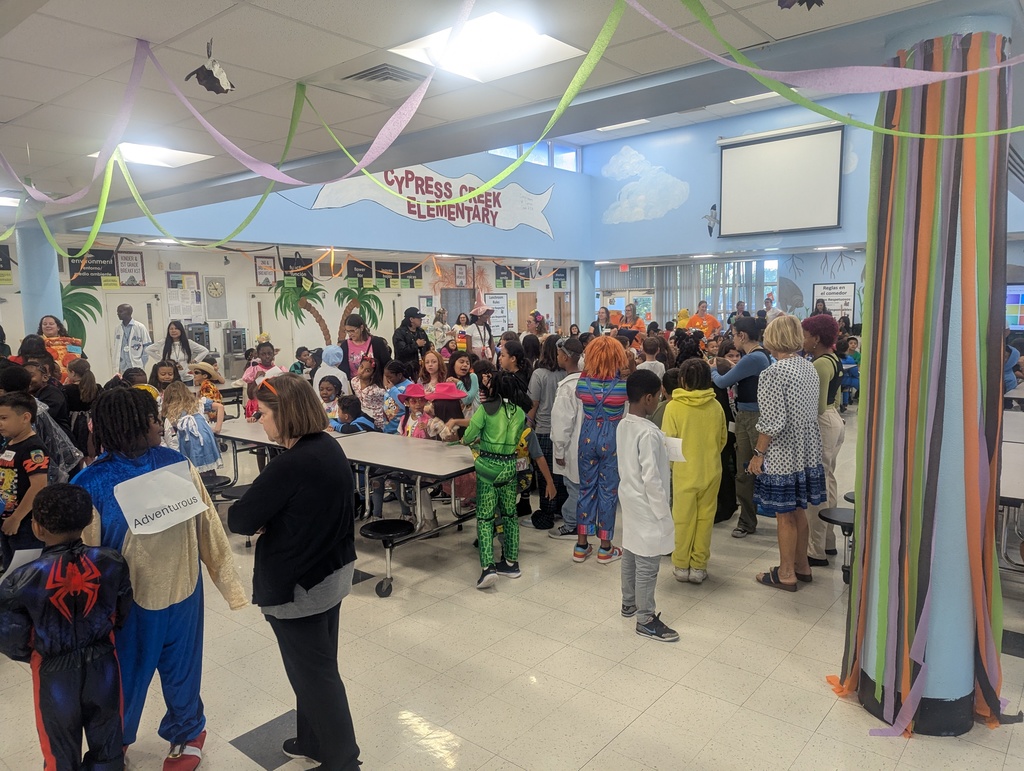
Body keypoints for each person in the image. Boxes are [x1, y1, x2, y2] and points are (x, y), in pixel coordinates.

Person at [75, 387, 246, 768]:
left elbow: (208, 526)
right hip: (128, 602)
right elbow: (83, 553)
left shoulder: (176, 463)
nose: (160, 423)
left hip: (184, 588)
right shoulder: (92, 482)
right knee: (125, 677)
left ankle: (188, 731)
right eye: (152, 419)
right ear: (130, 426)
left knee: (183, 669)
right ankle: (114, 742)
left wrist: (229, 585)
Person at [227, 374, 361, 770]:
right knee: (318, 669)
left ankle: (344, 762)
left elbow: (240, 518)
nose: (259, 421)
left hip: (299, 587)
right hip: (331, 572)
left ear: (285, 414)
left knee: (315, 679)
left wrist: (266, 517)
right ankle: (312, 741)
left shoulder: (289, 465)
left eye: (264, 413)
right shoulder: (328, 447)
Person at [0, 484, 132, 771]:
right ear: (89, 519)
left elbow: (10, 637)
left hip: (53, 671)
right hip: (103, 662)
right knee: (108, 738)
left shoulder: (19, 580)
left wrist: (36, 653)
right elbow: (122, 609)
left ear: (37, 527)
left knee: (58, 748)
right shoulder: (112, 561)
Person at [747, 316, 827, 591]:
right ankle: (802, 565)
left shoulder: (773, 372)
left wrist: (758, 453)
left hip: (783, 450)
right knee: (798, 509)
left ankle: (786, 573)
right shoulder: (808, 366)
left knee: (784, 514)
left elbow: (772, 421)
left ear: (772, 338)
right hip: (806, 447)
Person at [617, 370, 679, 642]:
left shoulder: (624, 424)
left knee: (631, 550)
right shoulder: (649, 433)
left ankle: (629, 602)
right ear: (648, 398)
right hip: (647, 503)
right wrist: (663, 511)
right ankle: (645, 619)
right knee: (648, 561)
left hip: (629, 497)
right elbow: (652, 478)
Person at [662, 358, 727, 585]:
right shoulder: (716, 406)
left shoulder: (673, 407)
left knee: (682, 519)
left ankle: (681, 564)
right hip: (711, 470)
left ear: (682, 379)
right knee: (705, 519)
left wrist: (675, 466)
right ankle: (699, 566)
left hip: (684, 472)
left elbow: (668, 443)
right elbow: (722, 439)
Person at [463, 372, 530, 589]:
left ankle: (487, 568)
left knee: (485, 518)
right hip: (510, 467)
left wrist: (471, 440)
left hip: (488, 469)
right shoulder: (520, 412)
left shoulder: (485, 410)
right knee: (510, 515)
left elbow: (469, 435)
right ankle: (511, 563)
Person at [711, 317, 771, 538]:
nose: (733, 339)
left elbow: (722, 382)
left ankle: (747, 520)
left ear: (742, 336)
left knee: (746, 470)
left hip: (751, 418)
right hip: (750, 415)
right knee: (747, 469)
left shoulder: (753, 357)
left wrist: (712, 369)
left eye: (734, 335)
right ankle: (748, 517)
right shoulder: (760, 356)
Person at [573, 336, 628, 564]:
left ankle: (581, 545)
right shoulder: (623, 386)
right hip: (612, 439)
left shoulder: (583, 383)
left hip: (587, 437)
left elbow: (579, 393)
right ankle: (605, 548)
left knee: (586, 488)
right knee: (608, 491)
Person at [802, 314, 845, 567]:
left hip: (822, 421)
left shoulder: (818, 364)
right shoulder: (834, 359)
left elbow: (816, 407)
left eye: (805, 335)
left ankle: (815, 549)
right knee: (828, 480)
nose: (803, 340)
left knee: (817, 486)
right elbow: (834, 399)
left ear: (816, 338)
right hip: (834, 418)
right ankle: (828, 541)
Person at [0, 392, 50, 569]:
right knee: (10, 570)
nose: (0, 423)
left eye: (4, 418)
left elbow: (39, 486)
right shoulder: (10, 443)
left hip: (25, 524)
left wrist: (16, 518)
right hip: (7, 518)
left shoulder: (33, 448)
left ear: (25, 417)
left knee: (25, 572)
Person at [527, 335, 566, 530]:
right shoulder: (568, 374)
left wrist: (526, 427)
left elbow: (533, 404)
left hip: (543, 430)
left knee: (545, 476)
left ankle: (546, 513)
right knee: (562, 475)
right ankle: (561, 509)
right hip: (564, 432)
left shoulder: (539, 374)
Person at [550, 337, 584, 539]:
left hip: (571, 446)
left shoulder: (567, 388)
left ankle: (572, 525)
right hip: (586, 444)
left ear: (565, 357)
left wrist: (559, 450)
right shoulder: (586, 382)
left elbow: (561, 423)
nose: (557, 357)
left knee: (573, 487)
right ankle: (585, 523)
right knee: (583, 486)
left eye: (558, 354)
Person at [161, 381, 224, 474]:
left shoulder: (171, 414)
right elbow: (220, 407)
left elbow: (171, 437)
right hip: (205, 438)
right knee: (208, 467)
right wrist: (217, 427)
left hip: (187, 442)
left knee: (194, 470)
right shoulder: (198, 403)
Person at [146, 321, 209, 385]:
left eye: (176, 328)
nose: (173, 331)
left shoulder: (188, 343)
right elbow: (148, 350)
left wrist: (195, 360)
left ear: (181, 330)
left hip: (186, 377)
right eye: (171, 329)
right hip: (170, 378)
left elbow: (205, 351)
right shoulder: (163, 343)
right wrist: (162, 361)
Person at [25, 358, 72, 435]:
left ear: (45, 377)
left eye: (31, 376)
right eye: (24, 377)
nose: (27, 380)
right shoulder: (29, 394)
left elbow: (40, 418)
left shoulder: (53, 394)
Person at [65, 358, 100, 459]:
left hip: (74, 423)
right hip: (92, 422)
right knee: (91, 451)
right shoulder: (97, 387)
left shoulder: (67, 389)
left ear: (73, 373)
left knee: (78, 452)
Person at [37, 315, 84, 383]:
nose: (48, 326)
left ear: (58, 327)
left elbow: (81, 359)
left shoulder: (71, 342)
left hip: (71, 379)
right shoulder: (37, 342)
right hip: (46, 379)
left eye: (51, 324)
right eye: (44, 324)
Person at [113, 303, 151, 374]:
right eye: (117, 312)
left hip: (136, 365)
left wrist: (142, 362)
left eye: (120, 311)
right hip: (122, 367)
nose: (118, 314)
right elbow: (116, 347)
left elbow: (147, 347)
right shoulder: (117, 328)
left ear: (128, 312)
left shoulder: (140, 327)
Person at [352, 357, 387, 429]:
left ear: (373, 374)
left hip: (377, 421)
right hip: (362, 418)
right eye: (361, 367)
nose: (362, 371)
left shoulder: (377, 390)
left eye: (367, 370)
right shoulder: (354, 381)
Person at [382, 361, 413, 434]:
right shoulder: (391, 384)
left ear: (399, 375)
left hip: (400, 429)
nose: (387, 380)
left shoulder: (409, 386)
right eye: (386, 377)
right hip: (387, 428)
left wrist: (393, 390)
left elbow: (407, 407)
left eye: (390, 377)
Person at [446, 351, 479, 418]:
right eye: (461, 362)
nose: (465, 365)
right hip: (456, 419)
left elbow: (467, 400)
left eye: (467, 363)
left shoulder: (472, 377)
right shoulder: (449, 380)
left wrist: (458, 383)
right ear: (453, 364)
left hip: (472, 419)